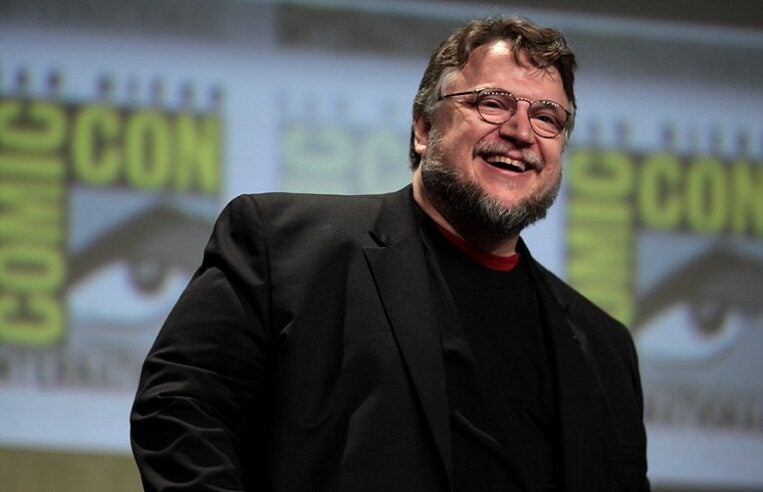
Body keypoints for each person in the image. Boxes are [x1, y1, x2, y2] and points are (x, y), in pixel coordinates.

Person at [131, 15, 649, 491]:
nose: (519, 131)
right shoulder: (283, 244)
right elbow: (179, 412)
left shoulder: (605, 348)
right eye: (493, 102)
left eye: (547, 118)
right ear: (425, 128)